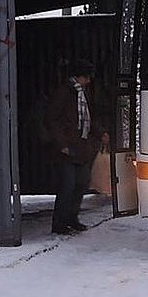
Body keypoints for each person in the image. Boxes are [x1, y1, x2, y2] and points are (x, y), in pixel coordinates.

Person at [42, 59, 106, 235]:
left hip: (82, 147)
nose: (89, 81)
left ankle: (72, 219)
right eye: (87, 77)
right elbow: (51, 119)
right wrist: (61, 143)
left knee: (80, 185)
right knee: (67, 186)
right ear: (79, 77)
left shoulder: (83, 94)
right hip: (68, 149)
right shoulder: (64, 93)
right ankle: (60, 224)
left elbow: (90, 118)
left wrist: (100, 133)